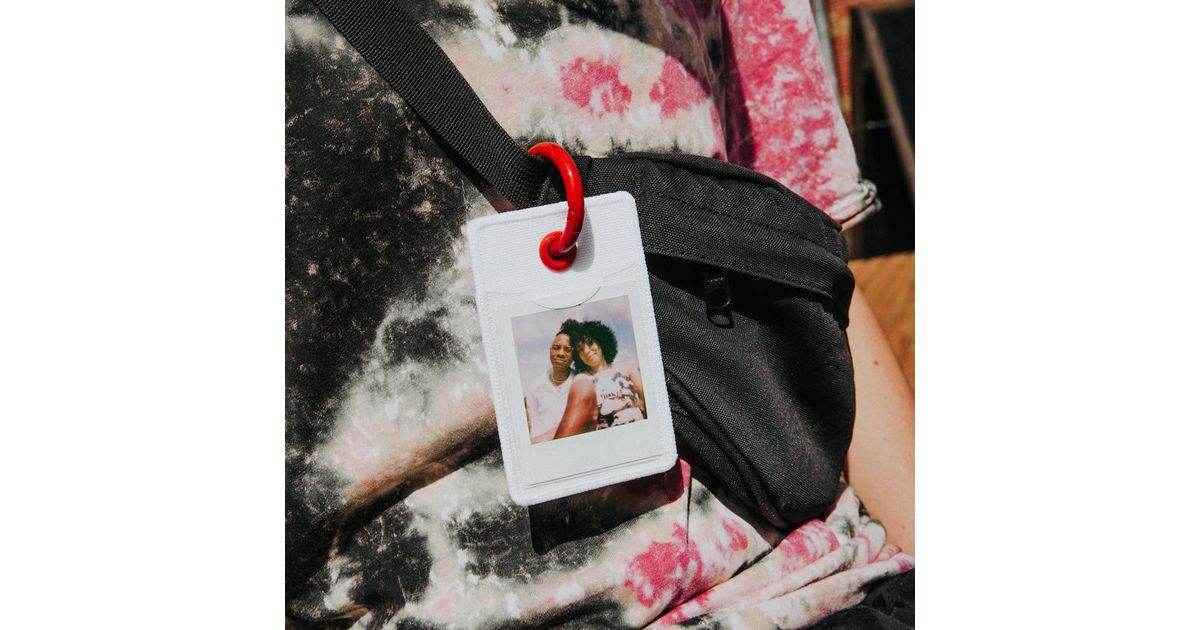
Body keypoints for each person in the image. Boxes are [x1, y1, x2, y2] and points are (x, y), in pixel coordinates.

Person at [554, 319, 646, 439]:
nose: (587, 351)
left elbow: (647, 398)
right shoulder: (582, 379)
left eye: (590, 343)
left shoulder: (627, 369)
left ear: (601, 341)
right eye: (580, 349)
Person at [523, 329, 576, 444]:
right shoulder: (535, 387)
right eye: (556, 348)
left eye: (568, 349)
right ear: (550, 351)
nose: (560, 353)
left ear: (574, 355)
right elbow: (534, 425)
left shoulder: (580, 383)